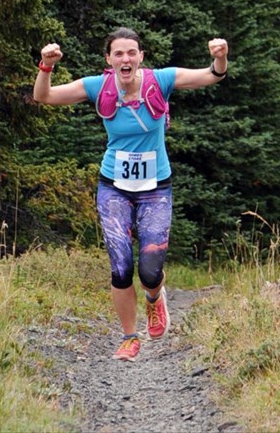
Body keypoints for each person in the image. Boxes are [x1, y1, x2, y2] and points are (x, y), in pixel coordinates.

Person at [33, 27, 228, 361]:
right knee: (121, 266)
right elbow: (44, 97)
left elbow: (211, 76)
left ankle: (154, 299)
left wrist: (220, 57)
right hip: (113, 188)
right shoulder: (98, 86)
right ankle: (129, 338)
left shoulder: (161, 80)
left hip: (155, 189)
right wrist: (45, 66)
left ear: (141, 57)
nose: (126, 58)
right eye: (118, 53)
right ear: (109, 60)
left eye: (131, 52)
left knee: (150, 271)